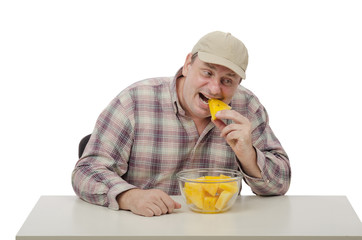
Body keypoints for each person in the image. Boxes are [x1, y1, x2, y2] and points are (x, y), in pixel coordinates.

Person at [72, 31, 291, 217]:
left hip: (217, 229)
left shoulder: (247, 107)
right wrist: (130, 197)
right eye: (207, 72)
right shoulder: (134, 102)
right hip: (142, 228)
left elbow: (280, 183)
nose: (215, 89)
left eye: (227, 80)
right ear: (187, 65)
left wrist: (249, 155)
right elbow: (86, 171)